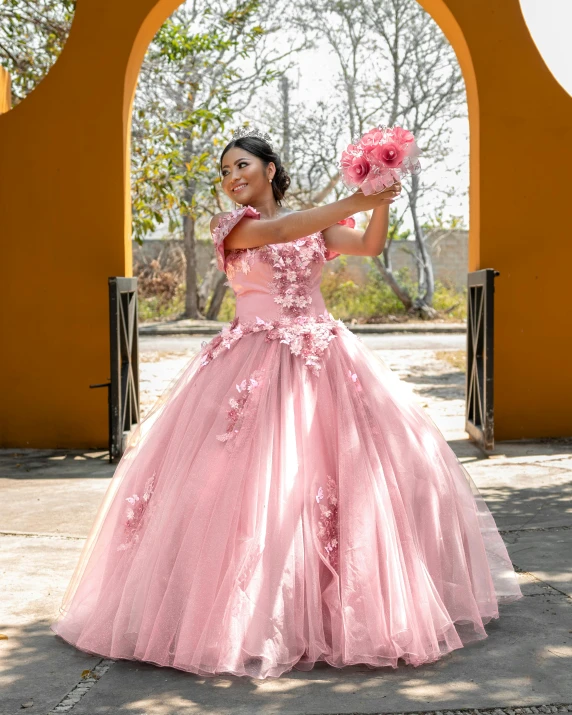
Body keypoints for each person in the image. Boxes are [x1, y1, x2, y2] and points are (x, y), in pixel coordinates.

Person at [51, 127, 522, 680]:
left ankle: (338, 608)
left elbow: (368, 247)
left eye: (241, 166)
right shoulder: (233, 226)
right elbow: (283, 229)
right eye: (224, 173)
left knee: (345, 476)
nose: (231, 179)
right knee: (244, 489)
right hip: (250, 359)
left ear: (269, 168)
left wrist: (384, 195)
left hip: (323, 355)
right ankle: (237, 616)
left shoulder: (311, 227)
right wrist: (355, 199)